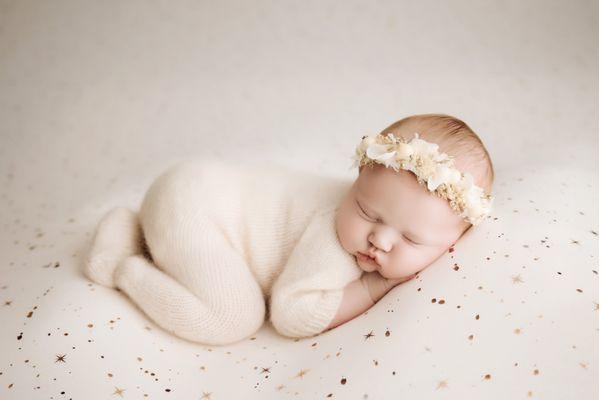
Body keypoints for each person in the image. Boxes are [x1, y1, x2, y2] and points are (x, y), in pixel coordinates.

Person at [83, 113, 494, 345]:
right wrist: (372, 288)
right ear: (355, 184)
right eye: (367, 212)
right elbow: (292, 316)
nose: (380, 239)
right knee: (232, 319)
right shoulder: (334, 239)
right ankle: (125, 264)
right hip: (192, 207)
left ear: (453, 242)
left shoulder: (385, 215)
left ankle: (131, 225)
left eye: (410, 239)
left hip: (199, 184)